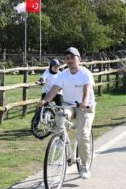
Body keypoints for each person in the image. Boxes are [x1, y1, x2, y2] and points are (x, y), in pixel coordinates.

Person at [38, 47, 96, 179]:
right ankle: (61, 142)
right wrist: (45, 100)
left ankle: (84, 165)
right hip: (69, 105)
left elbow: (87, 88)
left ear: (79, 59)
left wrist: (85, 101)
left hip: (85, 107)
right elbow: (55, 89)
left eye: (72, 57)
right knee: (59, 116)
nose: (69, 60)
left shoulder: (85, 73)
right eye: (67, 58)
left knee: (83, 135)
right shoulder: (63, 74)